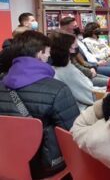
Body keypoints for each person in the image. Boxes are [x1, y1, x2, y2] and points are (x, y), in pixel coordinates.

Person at [0, 31, 79, 179]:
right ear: (39, 54)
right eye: (47, 53)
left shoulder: (2, 83)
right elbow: (74, 133)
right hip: (45, 166)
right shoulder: (58, 89)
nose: (49, 56)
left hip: (4, 163)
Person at [50, 31, 95, 111]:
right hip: (84, 110)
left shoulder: (61, 67)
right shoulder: (67, 71)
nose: (77, 46)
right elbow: (90, 96)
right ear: (69, 48)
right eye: (75, 44)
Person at [59, 17, 110, 87]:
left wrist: (92, 67)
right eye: (74, 26)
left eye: (77, 25)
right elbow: (76, 65)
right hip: (83, 74)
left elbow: (83, 59)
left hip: (88, 68)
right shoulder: (65, 41)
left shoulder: (77, 39)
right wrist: (92, 67)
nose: (77, 28)